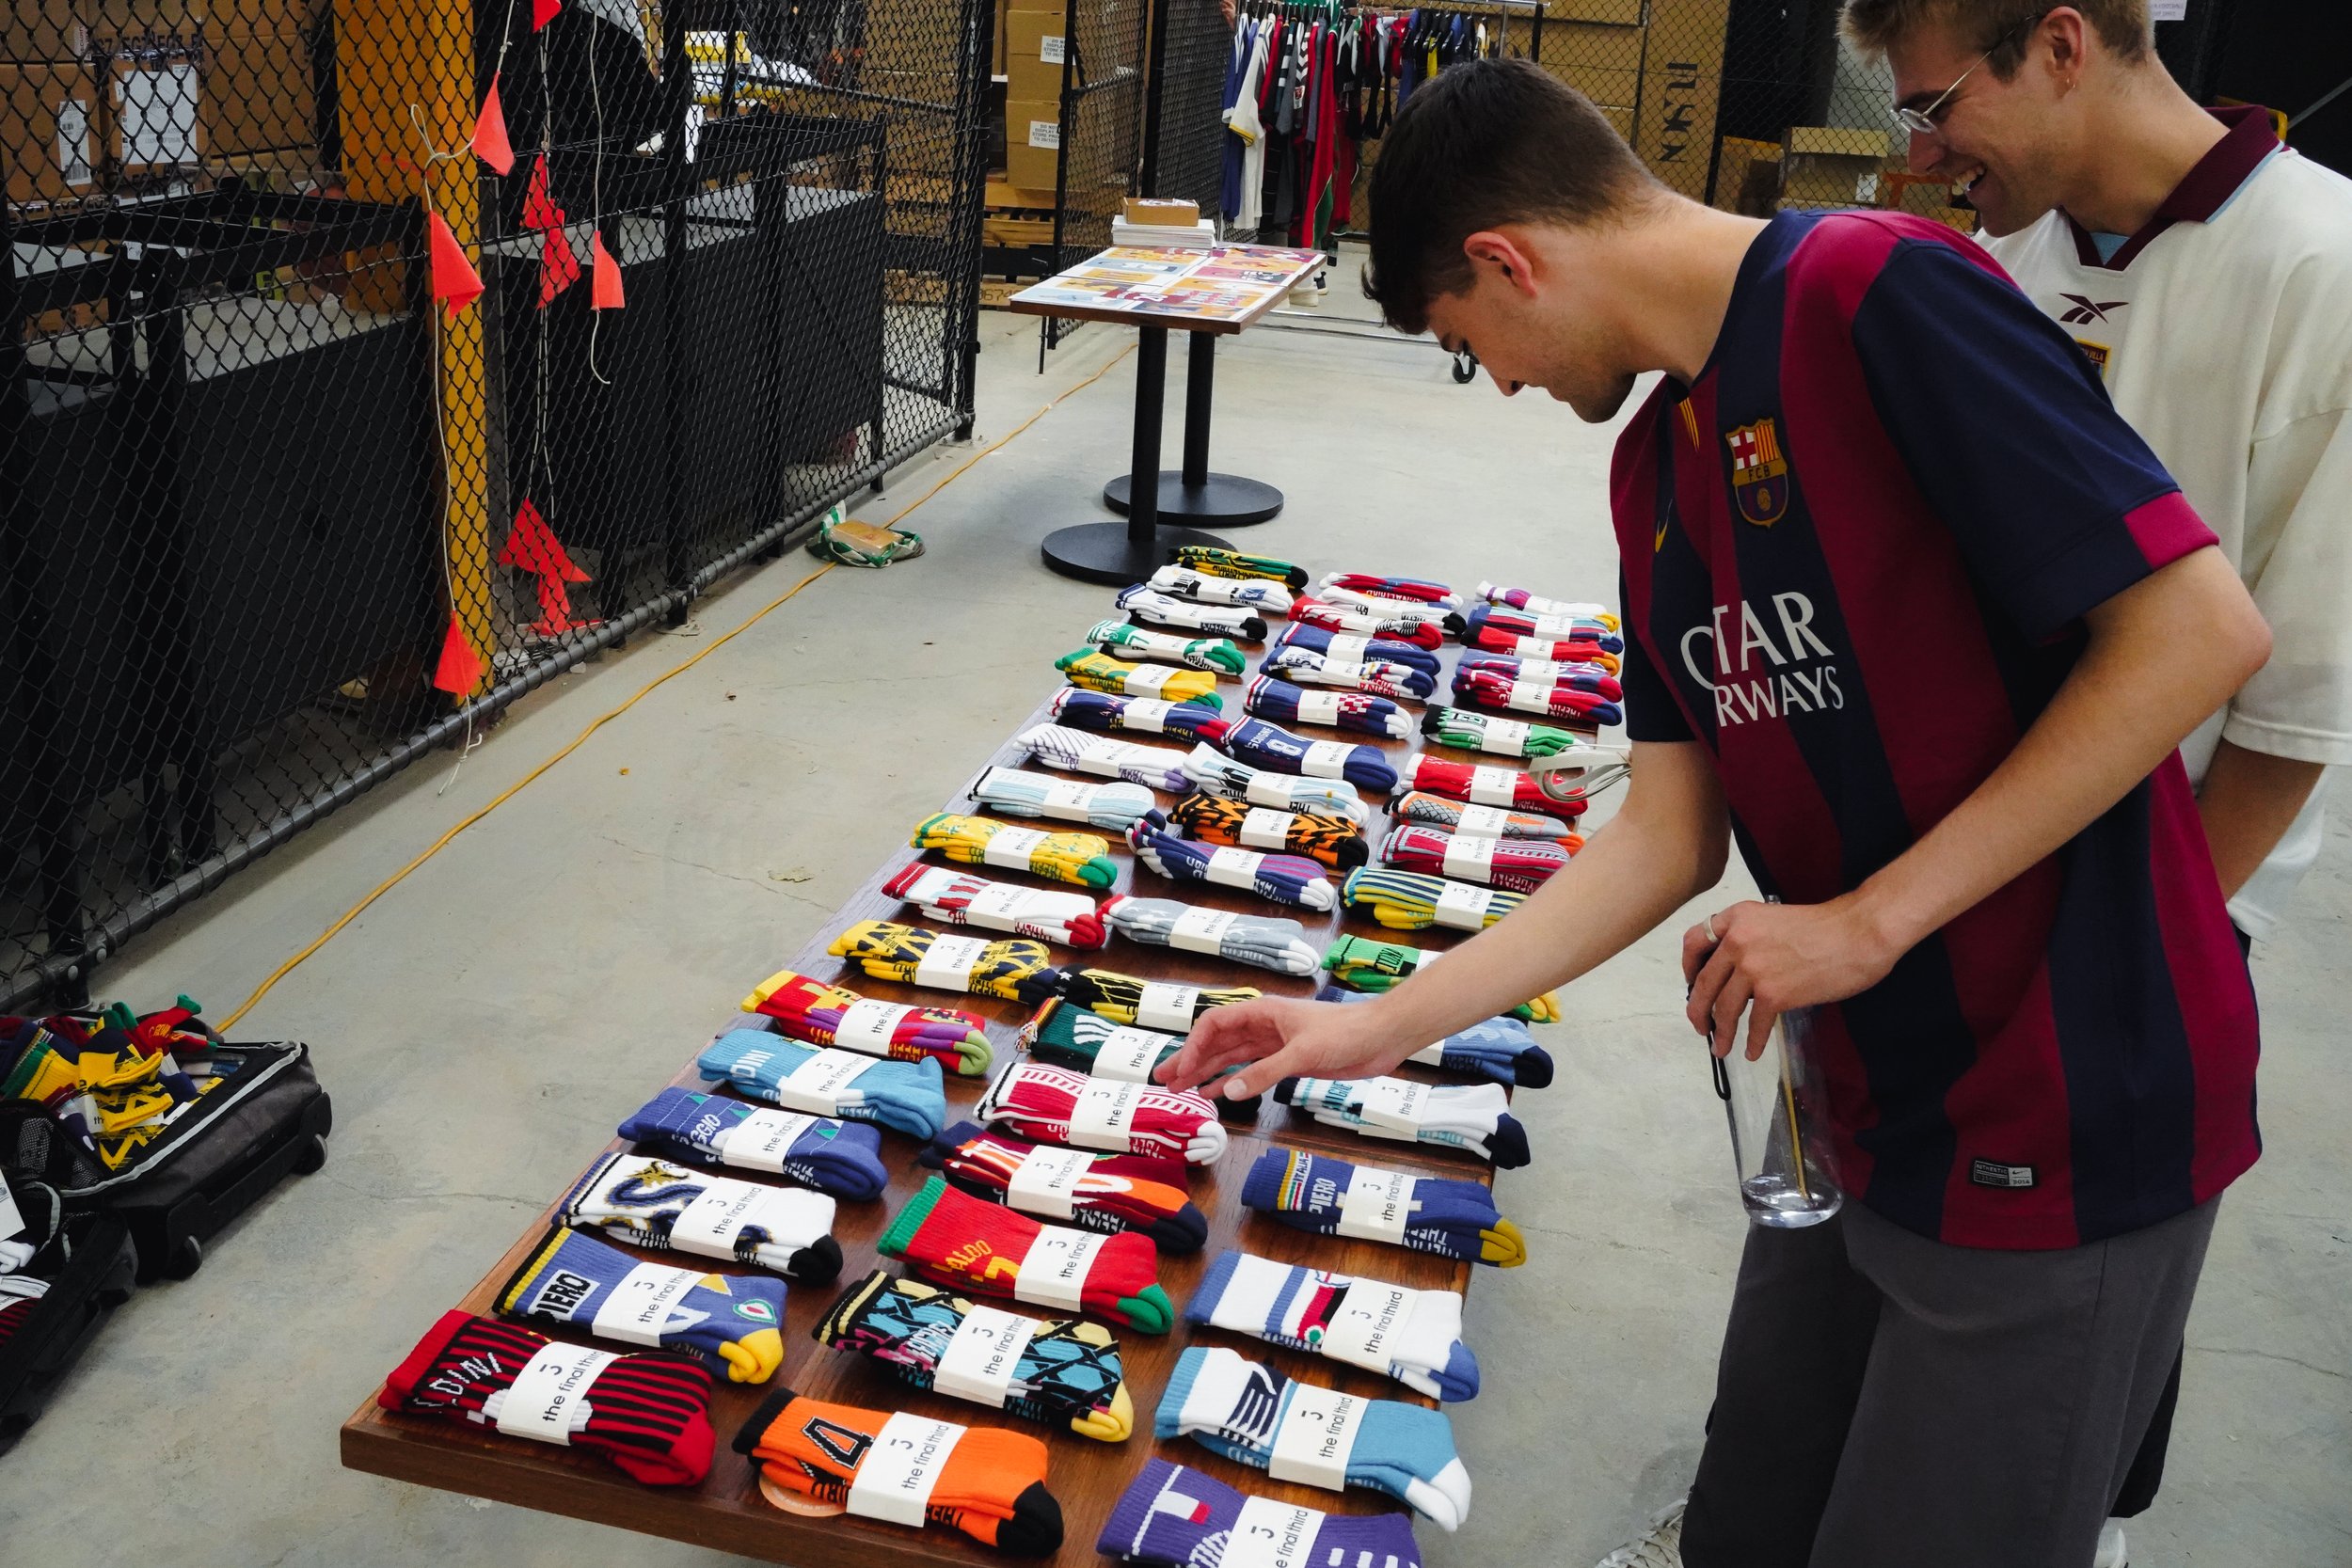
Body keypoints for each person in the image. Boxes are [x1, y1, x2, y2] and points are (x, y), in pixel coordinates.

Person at [1153, 57, 2272, 1568]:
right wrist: (1360, 1028)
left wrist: (1867, 921)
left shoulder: (1874, 295)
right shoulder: (1652, 468)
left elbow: (2198, 632)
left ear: (1507, 260)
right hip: (1860, 1096)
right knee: (1751, 1515)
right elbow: (1664, 837)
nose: (1497, 382)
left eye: (1470, 343)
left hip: (2060, 1094)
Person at [1842, 4, 2352, 1554]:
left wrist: (2132, 940)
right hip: (1958, 890)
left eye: (1937, 107)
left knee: (2085, 1325)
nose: (1921, 156)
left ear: (2061, 43)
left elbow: (2291, 713)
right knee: (1908, 1279)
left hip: (2151, 912)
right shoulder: (2000, 263)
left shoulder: (2319, 272)